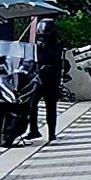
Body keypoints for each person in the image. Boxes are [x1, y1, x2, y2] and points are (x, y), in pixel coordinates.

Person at [34, 12, 65, 143]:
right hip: (37, 78)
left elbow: (54, 58)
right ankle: (33, 129)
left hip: (52, 80)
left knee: (51, 107)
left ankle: (52, 132)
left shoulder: (56, 44)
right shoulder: (36, 45)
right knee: (32, 104)